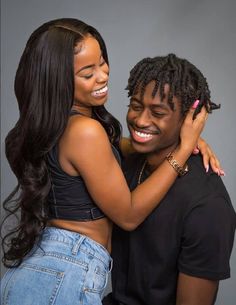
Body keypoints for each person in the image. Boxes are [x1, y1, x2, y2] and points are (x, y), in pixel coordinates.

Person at [0, 18, 221, 305]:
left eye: (102, 62)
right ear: (58, 78)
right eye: (87, 72)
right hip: (61, 276)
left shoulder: (63, 124)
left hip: (44, 270)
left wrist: (179, 137)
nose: (103, 76)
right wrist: (185, 148)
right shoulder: (84, 131)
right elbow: (128, 216)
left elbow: (127, 147)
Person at [103, 54, 236, 305]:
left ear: (190, 119)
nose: (140, 120)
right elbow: (91, 140)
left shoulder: (208, 206)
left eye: (158, 112)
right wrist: (186, 145)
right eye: (136, 105)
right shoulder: (128, 160)